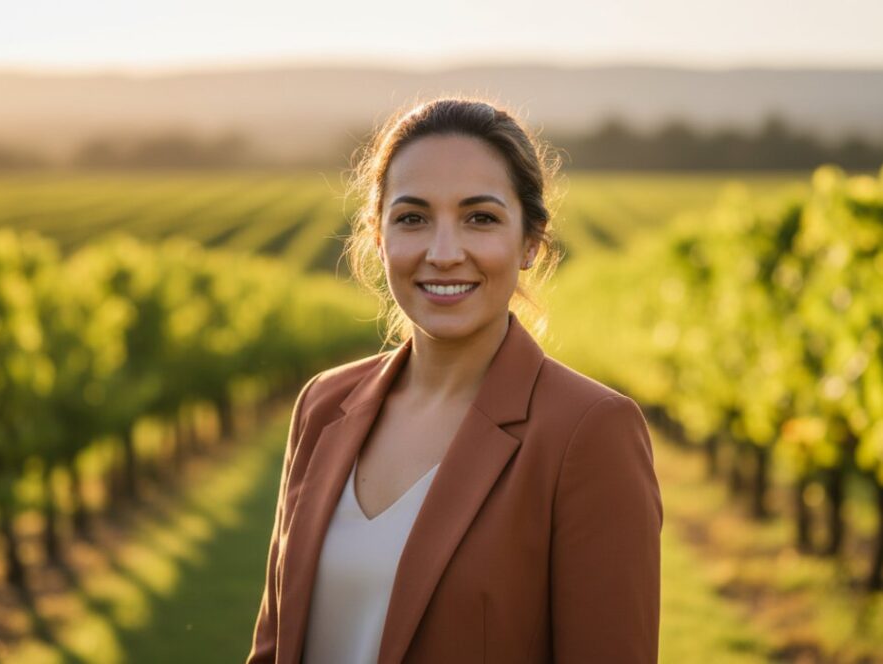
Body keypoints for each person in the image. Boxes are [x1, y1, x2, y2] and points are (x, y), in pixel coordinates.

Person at [245, 97, 663, 664]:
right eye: (412, 218)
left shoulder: (589, 434)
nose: (443, 253)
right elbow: (273, 647)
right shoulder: (323, 404)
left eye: (480, 218)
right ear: (378, 238)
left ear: (531, 243)